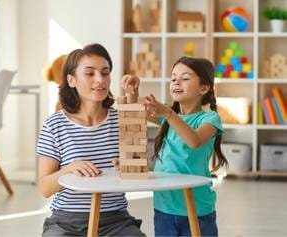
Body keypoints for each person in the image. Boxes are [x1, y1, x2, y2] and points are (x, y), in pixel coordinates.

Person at [36, 43, 145, 237]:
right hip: (67, 222)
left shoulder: (121, 120)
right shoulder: (54, 125)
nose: (100, 80)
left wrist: (127, 168)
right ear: (71, 80)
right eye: (90, 73)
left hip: (116, 221)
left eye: (105, 73)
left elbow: (138, 170)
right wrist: (69, 169)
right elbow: (45, 188)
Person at [143, 56, 228, 237]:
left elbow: (194, 141)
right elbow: (135, 113)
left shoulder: (210, 119)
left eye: (185, 78)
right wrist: (132, 92)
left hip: (197, 210)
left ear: (203, 88)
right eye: (173, 78)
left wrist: (168, 113)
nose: (176, 82)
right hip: (163, 208)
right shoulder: (169, 117)